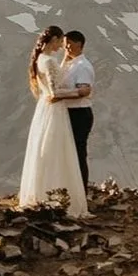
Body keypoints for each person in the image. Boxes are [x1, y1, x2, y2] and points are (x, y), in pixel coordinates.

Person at [15, 25, 87, 217]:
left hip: (45, 109)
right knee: (57, 151)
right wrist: (79, 92)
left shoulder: (40, 59)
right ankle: (58, 194)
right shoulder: (48, 61)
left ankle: (43, 192)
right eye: (60, 42)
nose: (61, 47)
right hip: (55, 110)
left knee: (45, 151)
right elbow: (55, 92)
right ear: (54, 40)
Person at [58, 30, 96, 191]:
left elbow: (84, 91)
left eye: (69, 43)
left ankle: (81, 189)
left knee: (79, 153)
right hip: (69, 112)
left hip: (79, 113)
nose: (66, 47)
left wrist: (59, 95)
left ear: (78, 44)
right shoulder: (70, 64)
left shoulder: (82, 66)